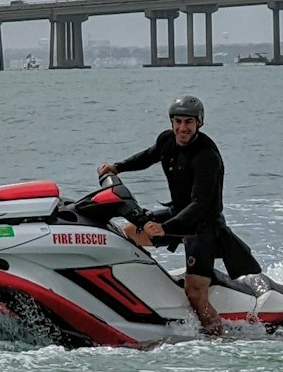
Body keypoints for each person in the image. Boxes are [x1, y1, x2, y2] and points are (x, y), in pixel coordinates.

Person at [97, 95, 259, 336]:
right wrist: (117, 167)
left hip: (203, 225)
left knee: (195, 293)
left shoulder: (207, 156)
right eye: (178, 121)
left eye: (189, 123)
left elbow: (201, 205)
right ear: (172, 122)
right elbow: (149, 156)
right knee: (127, 234)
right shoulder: (167, 140)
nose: (183, 128)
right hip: (178, 213)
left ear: (199, 124)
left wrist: (166, 228)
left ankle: (218, 338)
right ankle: (136, 297)